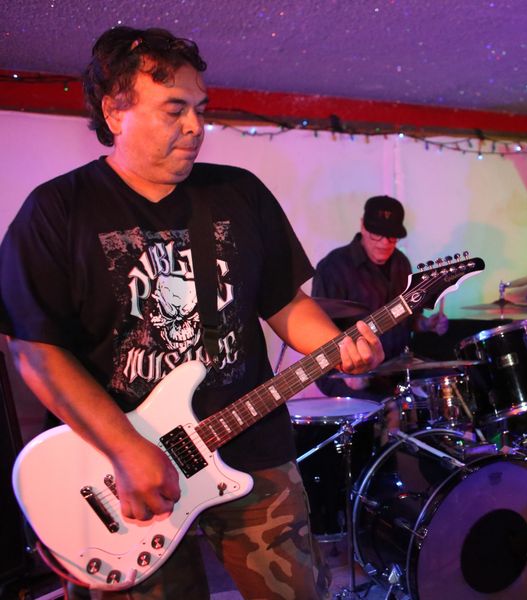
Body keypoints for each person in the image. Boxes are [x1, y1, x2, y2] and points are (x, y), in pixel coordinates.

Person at [0, 27, 384, 599]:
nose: (196, 126)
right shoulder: (56, 210)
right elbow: (35, 351)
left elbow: (284, 303)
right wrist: (126, 449)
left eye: (200, 109)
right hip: (124, 470)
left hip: (253, 453)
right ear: (114, 111)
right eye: (174, 109)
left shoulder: (240, 193)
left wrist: (337, 345)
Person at [312, 195, 449, 400]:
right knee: (381, 408)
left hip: (395, 368)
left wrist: (427, 324)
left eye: (392, 237)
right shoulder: (333, 267)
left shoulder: (401, 263)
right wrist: (346, 370)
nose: (385, 243)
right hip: (347, 373)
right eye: (377, 235)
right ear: (363, 226)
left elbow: (409, 319)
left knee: (445, 383)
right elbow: (319, 333)